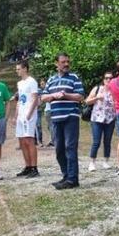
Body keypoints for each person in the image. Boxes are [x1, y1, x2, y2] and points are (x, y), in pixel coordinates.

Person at [42, 53, 86, 190]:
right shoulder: (51, 79)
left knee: (70, 147)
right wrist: (53, 96)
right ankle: (66, 175)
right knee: (59, 149)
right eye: (63, 62)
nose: (66, 64)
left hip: (70, 117)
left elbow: (80, 96)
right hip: (55, 118)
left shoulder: (74, 78)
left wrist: (66, 95)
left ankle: (73, 179)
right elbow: (43, 97)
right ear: (57, 64)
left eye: (68, 61)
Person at [12, 61, 40, 178]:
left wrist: (29, 113)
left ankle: (34, 168)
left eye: (19, 69)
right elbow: (19, 100)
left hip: (29, 114)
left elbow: (35, 99)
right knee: (22, 140)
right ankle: (27, 166)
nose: (17, 71)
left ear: (25, 69)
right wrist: (16, 115)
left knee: (29, 140)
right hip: (21, 114)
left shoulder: (31, 81)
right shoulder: (20, 83)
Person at [86, 72, 116, 172]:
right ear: (103, 80)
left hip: (110, 119)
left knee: (107, 141)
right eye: (106, 78)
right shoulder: (97, 89)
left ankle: (106, 161)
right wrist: (97, 98)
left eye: (111, 78)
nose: (108, 80)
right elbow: (87, 101)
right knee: (96, 141)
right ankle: (92, 162)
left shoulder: (115, 91)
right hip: (97, 119)